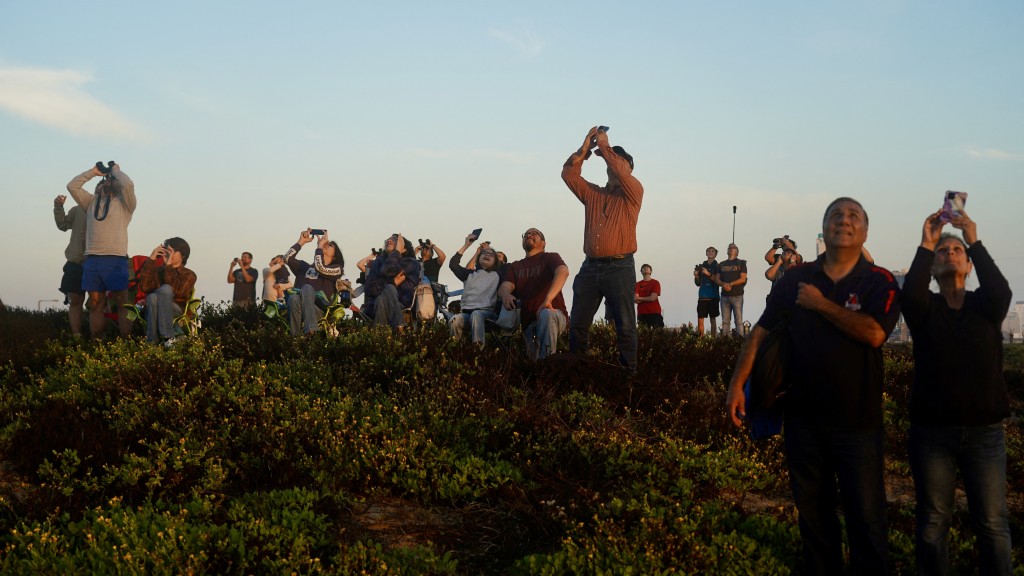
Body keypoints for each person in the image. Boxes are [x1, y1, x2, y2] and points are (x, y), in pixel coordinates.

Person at [726, 197, 901, 575]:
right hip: (803, 420)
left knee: (866, 517)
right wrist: (737, 384)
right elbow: (761, 331)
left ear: (865, 231)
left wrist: (821, 305)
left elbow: (873, 333)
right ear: (823, 229)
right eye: (835, 214)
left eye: (853, 215)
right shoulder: (795, 278)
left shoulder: (878, 280)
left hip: (858, 422)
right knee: (814, 515)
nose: (844, 220)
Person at [902, 210, 1012, 575]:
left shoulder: (986, 306)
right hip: (932, 434)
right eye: (942, 252)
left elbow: (1001, 290)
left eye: (957, 250)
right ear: (932, 270)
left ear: (968, 265)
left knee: (993, 525)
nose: (950, 253)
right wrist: (927, 242)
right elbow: (911, 294)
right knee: (933, 525)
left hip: (986, 434)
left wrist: (973, 237)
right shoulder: (925, 308)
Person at [561, 126, 644, 371]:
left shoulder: (633, 192)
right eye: (609, 162)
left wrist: (605, 145)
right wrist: (584, 150)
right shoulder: (594, 194)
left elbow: (619, 169)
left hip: (620, 267)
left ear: (627, 167)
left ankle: (628, 376)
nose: (611, 165)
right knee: (578, 324)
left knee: (625, 326)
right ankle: (578, 372)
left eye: (617, 162)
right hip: (590, 267)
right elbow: (569, 175)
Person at [66, 163, 137, 337]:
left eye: (110, 180)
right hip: (93, 259)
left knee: (122, 303)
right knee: (96, 304)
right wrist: (94, 172)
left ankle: (125, 343)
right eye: (105, 180)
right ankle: (98, 345)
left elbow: (128, 185)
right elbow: (72, 186)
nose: (107, 181)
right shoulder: (90, 202)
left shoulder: (125, 204)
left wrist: (116, 171)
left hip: (116, 258)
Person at [497, 228, 569, 361]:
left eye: (534, 233)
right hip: (529, 323)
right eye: (526, 234)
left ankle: (548, 366)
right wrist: (506, 295)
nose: (529, 235)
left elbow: (563, 271)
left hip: (554, 315)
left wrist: (548, 300)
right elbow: (504, 287)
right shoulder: (515, 266)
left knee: (546, 314)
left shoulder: (550, 257)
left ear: (543, 242)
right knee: (532, 362)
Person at [137, 238, 196, 346]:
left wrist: (168, 267)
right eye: (167, 251)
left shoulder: (189, 274)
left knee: (165, 289)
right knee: (152, 297)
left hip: (176, 309)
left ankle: (164, 337)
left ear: (182, 255)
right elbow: (144, 287)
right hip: (154, 308)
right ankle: (156, 341)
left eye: (172, 251)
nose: (169, 254)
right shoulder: (158, 271)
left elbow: (178, 292)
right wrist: (152, 258)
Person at [283, 229, 344, 335]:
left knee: (307, 288)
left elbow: (320, 268)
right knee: (293, 298)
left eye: (329, 245)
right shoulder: (304, 267)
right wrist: (301, 241)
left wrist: (319, 248)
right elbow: (287, 258)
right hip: (298, 308)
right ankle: (296, 339)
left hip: (319, 311)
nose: (325, 244)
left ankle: (311, 329)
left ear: (334, 256)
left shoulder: (336, 269)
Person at [448, 234, 501, 344]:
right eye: (484, 253)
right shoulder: (469, 274)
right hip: (467, 313)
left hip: (487, 313)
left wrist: (486, 248)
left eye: (491, 254)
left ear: (495, 261)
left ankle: (478, 351)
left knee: (476, 315)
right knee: (455, 319)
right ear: (478, 258)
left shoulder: (498, 274)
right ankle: (456, 349)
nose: (487, 255)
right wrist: (467, 244)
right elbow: (453, 264)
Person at [361, 234, 422, 324]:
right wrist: (393, 282)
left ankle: (380, 334)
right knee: (387, 291)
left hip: (401, 304)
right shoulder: (377, 263)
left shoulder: (411, 263)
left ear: (404, 248)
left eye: (394, 240)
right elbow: (369, 289)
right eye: (388, 240)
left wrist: (397, 251)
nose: (389, 241)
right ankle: (398, 327)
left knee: (384, 296)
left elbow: (387, 270)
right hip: (374, 305)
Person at [53, 194, 87, 335]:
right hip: (75, 263)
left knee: (99, 303)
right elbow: (63, 225)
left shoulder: (108, 211)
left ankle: (100, 339)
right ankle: (76, 337)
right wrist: (58, 207)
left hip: (97, 263)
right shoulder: (77, 210)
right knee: (75, 301)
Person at [716, 243, 747, 336]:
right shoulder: (721, 264)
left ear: (737, 251)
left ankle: (739, 343)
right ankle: (725, 343)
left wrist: (730, 284)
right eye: (729, 247)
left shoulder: (741, 263)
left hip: (737, 295)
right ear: (727, 251)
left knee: (738, 321)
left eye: (734, 247)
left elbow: (743, 278)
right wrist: (723, 284)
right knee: (725, 322)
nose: (731, 248)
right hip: (724, 296)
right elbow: (717, 279)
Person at [694, 247, 721, 337]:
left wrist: (708, 274)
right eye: (708, 251)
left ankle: (713, 341)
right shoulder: (702, 266)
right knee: (700, 318)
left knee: (712, 319)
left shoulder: (718, 266)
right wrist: (696, 276)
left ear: (715, 254)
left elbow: (718, 280)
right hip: (702, 296)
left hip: (713, 296)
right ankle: (701, 339)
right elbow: (697, 283)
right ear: (706, 253)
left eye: (712, 251)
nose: (710, 252)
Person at [634, 264, 664, 328]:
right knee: (643, 335)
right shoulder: (637, 284)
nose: (645, 268)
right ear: (641, 271)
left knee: (658, 334)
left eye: (647, 267)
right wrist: (648, 298)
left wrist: (639, 298)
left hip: (655, 312)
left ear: (651, 271)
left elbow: (653, 298)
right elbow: (636, 300)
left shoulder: (655, 283)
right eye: (643, 268)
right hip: (642, 313)